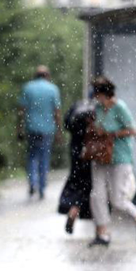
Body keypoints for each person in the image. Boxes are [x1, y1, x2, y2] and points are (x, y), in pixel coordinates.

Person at [89, 77, 136, 246]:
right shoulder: (98, 109)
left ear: (105, 94)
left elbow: (133, 130)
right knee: (97, 195)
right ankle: (103, 233)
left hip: (119, 157)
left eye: (98, 94)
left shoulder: (119, 108)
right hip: (100, 156)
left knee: (117, 199)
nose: (96, 97)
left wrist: (113, 134)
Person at [18, 65, 62, 199]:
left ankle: (32, 183)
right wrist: (59, 131)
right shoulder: (53, 89)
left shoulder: (28, 87)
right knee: (44, 158)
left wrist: (19, 128)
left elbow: (21, 111)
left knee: (32, 157)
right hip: (47, 129)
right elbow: (57, 112)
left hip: (31, 128)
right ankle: (42, 187)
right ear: (47, 75)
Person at [58, 100, 95, 234]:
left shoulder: (76, 106)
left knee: (76, 182)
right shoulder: (96, 109)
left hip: (76, 152)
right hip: (90, 153)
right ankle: (79, 213)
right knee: (88, 186)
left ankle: (72, 210)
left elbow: (67, 124)